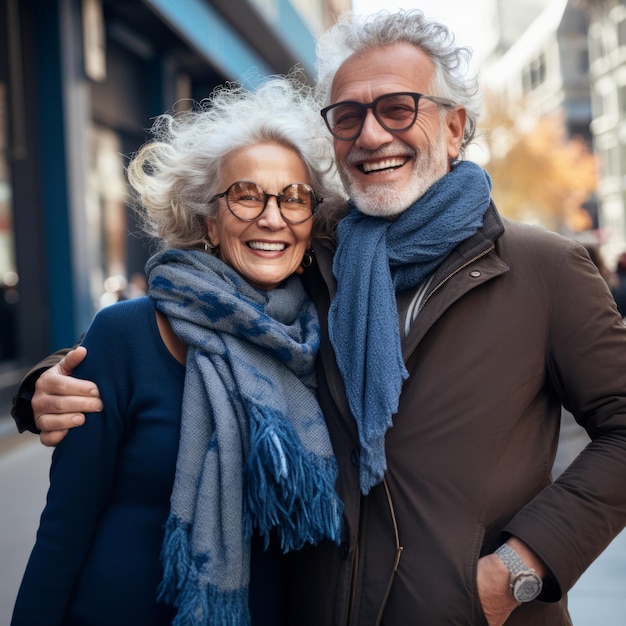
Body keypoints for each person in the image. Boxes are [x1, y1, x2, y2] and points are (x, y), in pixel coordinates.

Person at [11, 9, 626, 626]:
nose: (371, 135)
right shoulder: (315, 267)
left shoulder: (546, 269)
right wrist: (43, 384)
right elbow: (196, 315)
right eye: (348, 116)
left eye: (398, 108)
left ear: (456, 126)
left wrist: (519, 567)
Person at [11, 76, 343, 626]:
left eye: (294, 198)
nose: (272, 216)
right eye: (245, 194)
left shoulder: (321, 339)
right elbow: (64, 527)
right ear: (208, 220)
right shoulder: (124, 334)